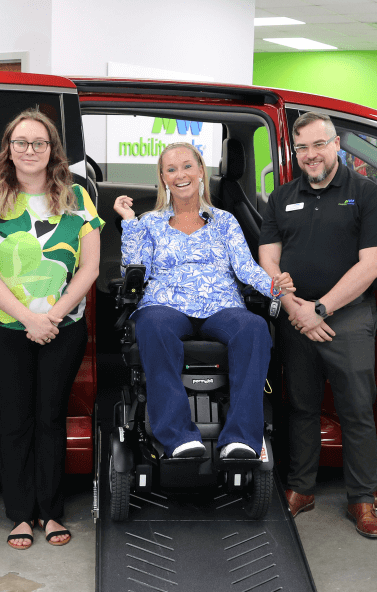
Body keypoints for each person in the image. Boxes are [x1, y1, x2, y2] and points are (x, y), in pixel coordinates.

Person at [0, 110, 101, 550]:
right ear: (9, 148)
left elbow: (90, 268)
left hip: (64, 327)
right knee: (16, 421)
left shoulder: (77, 197)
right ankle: (20, 516)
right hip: (6, 328)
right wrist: (29, 319)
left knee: (50, 419)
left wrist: (54, 316)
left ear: (52, 151)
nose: (29, 150)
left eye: (38, 143)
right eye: (21, 142)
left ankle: (50, 511)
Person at [114, 142, 294, 463]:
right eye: (171, 169)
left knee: (254, 328)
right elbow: (134, 270)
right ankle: (178, 436)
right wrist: (129, 221)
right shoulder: (149, 222)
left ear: (200, 171)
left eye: (187, 166)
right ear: (163, 178)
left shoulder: (224, 221)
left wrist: (276, 288)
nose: (180, 174)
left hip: (219, 305)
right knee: (151, 324)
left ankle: (240, 438)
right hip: (166, 305)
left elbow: (245, 268)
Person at [259, 112, 377, 539]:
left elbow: (371, 265)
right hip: (297, 314)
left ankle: (362, 499)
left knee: (356, 410)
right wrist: (294, 305)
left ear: (337, 144)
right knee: (300, 404)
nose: (311, 155)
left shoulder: (367, 194)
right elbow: (269, 259)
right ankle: (302, 488)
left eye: (319, 145)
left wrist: (320, 309)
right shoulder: (280, 198)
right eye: (303, 148)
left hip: (348, 316)